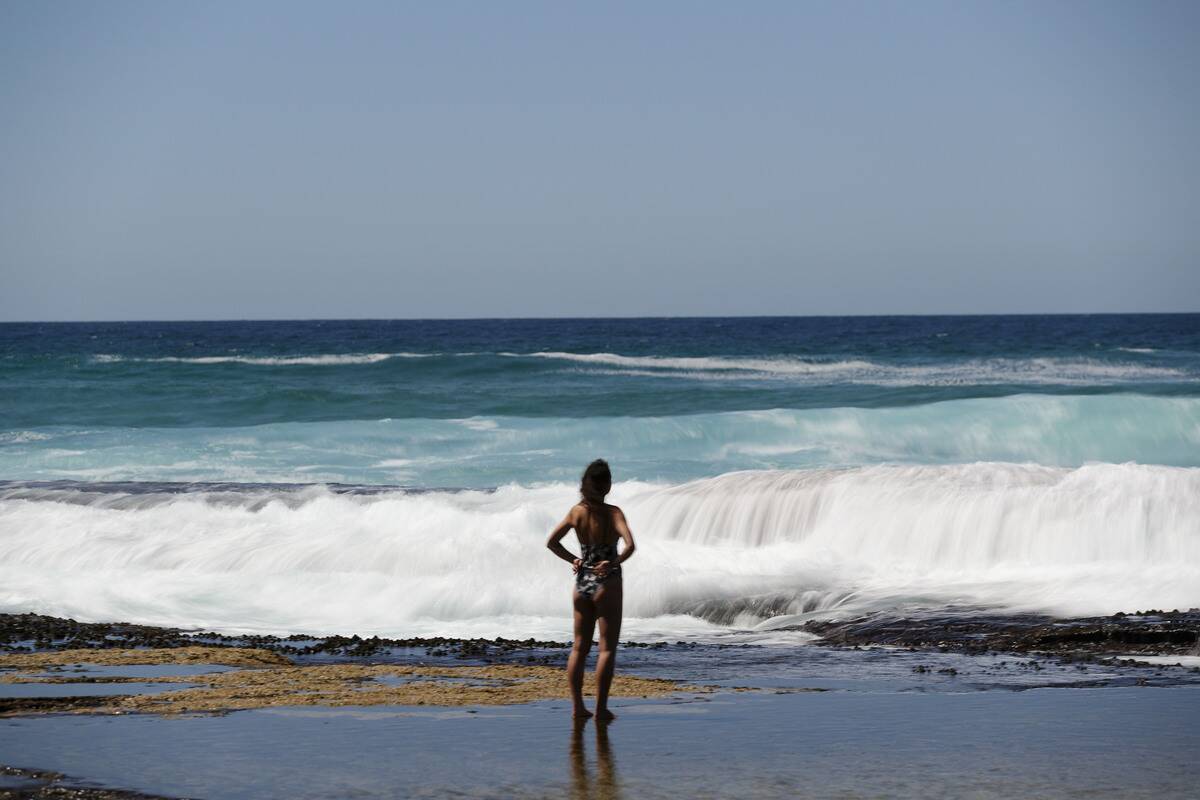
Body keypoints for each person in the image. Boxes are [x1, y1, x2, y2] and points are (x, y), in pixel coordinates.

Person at [546, 459, 636, 721]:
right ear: (607, 485)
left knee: (579, 648)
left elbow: (552, 543)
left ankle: (577, 707)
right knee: (607, 649)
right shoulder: (614, 513)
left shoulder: (577, 512)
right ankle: (600, 709)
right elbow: (630, 545)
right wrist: (613, 562)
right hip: (607, 584)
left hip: (582, 583)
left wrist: (574, 560)